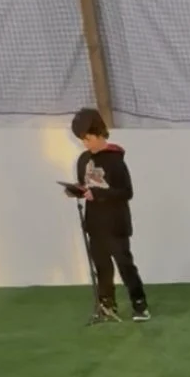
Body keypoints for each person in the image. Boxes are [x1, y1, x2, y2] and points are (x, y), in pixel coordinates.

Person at [65, 108, 149, 324]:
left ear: (100, 133)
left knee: (124, 265)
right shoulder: (83, 160)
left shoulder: (115, 160)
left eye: (88, 138)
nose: (85, 144)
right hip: (94, 223)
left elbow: (126, 192)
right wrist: (77, 191)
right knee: (102, 267)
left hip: (115, 224)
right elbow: (85, 186)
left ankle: (139, 304)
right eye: (82, 140)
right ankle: (107, 304)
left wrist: (99, 194)